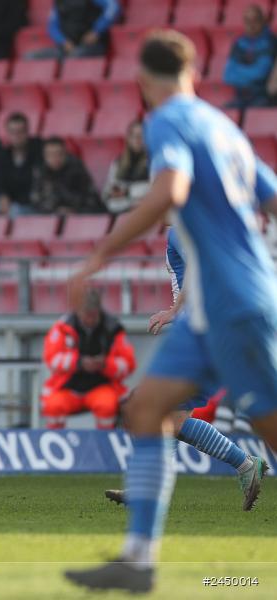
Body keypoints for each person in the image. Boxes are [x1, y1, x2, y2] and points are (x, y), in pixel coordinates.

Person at [65, 31, 277, 593]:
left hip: (234, 302)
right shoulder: (223, 126)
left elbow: (170, 190)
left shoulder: (166, 121)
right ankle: (138, 560)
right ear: (196, 72)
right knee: (147, 407)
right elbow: (272, 196)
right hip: (215, 306)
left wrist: (99, 256)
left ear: (142, 82)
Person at [104, 225, 267, 510]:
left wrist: (173, 312)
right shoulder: (189, 228)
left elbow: (199, 274)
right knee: (168, 417)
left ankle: (149, 491)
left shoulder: (181, 231)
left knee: (160, 412)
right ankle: (243, 465)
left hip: (201, 332)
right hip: (206, 329)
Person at [41, 289, 135, 430]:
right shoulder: (62, 327)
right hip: (67, 387)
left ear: (99, 311)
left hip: (101, 386)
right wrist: (79, 363)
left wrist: (105, 364)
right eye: (86, 314)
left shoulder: (113, 328)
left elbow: (128, 363)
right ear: (78, 311)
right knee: (53, 405)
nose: (89, 319)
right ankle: (56, 444)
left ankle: (105, 443)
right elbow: (51, 359)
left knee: (107, 405)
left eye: (93, 315)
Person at [0, 112, 44, 217]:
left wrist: (15, 201)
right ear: (7, 133)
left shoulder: (39, 151)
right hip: (11, 201)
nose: (17, 136)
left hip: (31, 203)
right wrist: (2, 195)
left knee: (16, 211)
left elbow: (37, 182)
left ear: (27, 132)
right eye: (13, 132)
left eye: (20, 131)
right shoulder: (3, 154)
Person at [29, 137, 103, 214]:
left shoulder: (76, 169)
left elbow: (91, 198)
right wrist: (55, 210)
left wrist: (73, 210)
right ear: (45, 156)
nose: (55, 158)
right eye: (50, 154)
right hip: (50, 215)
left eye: (59, 154)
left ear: (65, 153)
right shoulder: (40, 171)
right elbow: (35, 201)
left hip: (78, 214)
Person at [30, 0, 120, 60]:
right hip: (67, 48)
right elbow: (52, 26)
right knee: (30, 57)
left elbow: (113, 7)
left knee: (73, 58)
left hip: (90, 46)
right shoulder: (59, 2)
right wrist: (63, 42)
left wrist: (96, 31)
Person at [224, 4, 276, 109]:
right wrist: (249, 74)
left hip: (263, 98)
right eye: (247, 20)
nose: (251, 24)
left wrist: (240, 73)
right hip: (241, 98)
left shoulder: (271, 42)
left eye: (255, 20)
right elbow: (228, 75)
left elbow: (261, 72)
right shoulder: (239, 43)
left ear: (263, 21)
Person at [102, 121, 150, 214]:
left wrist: (127, 192)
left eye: (141, 135)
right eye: (133, 135)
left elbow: (155, 187)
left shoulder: (153, 161)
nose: (137, 139)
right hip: (120, 207)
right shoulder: (118, 162)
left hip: (143, 208)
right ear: (128, 138)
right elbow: (108, 188)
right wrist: (112, 192)